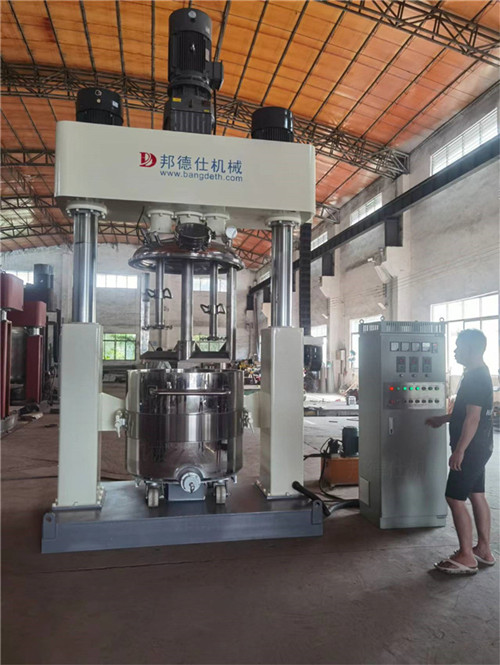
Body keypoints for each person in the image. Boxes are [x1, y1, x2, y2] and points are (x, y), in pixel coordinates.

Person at [426, 328, 495, 575]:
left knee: (454, 498)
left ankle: (466, 556)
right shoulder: (479, 374)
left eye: (458, 347)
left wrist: (460, 451)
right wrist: (444, 419)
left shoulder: (476, 378)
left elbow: (473, 418)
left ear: (471, 349)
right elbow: (468, 413)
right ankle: (483, 550)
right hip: (481, 446)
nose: (455, 351)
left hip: (471, 448)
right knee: (476, 494)